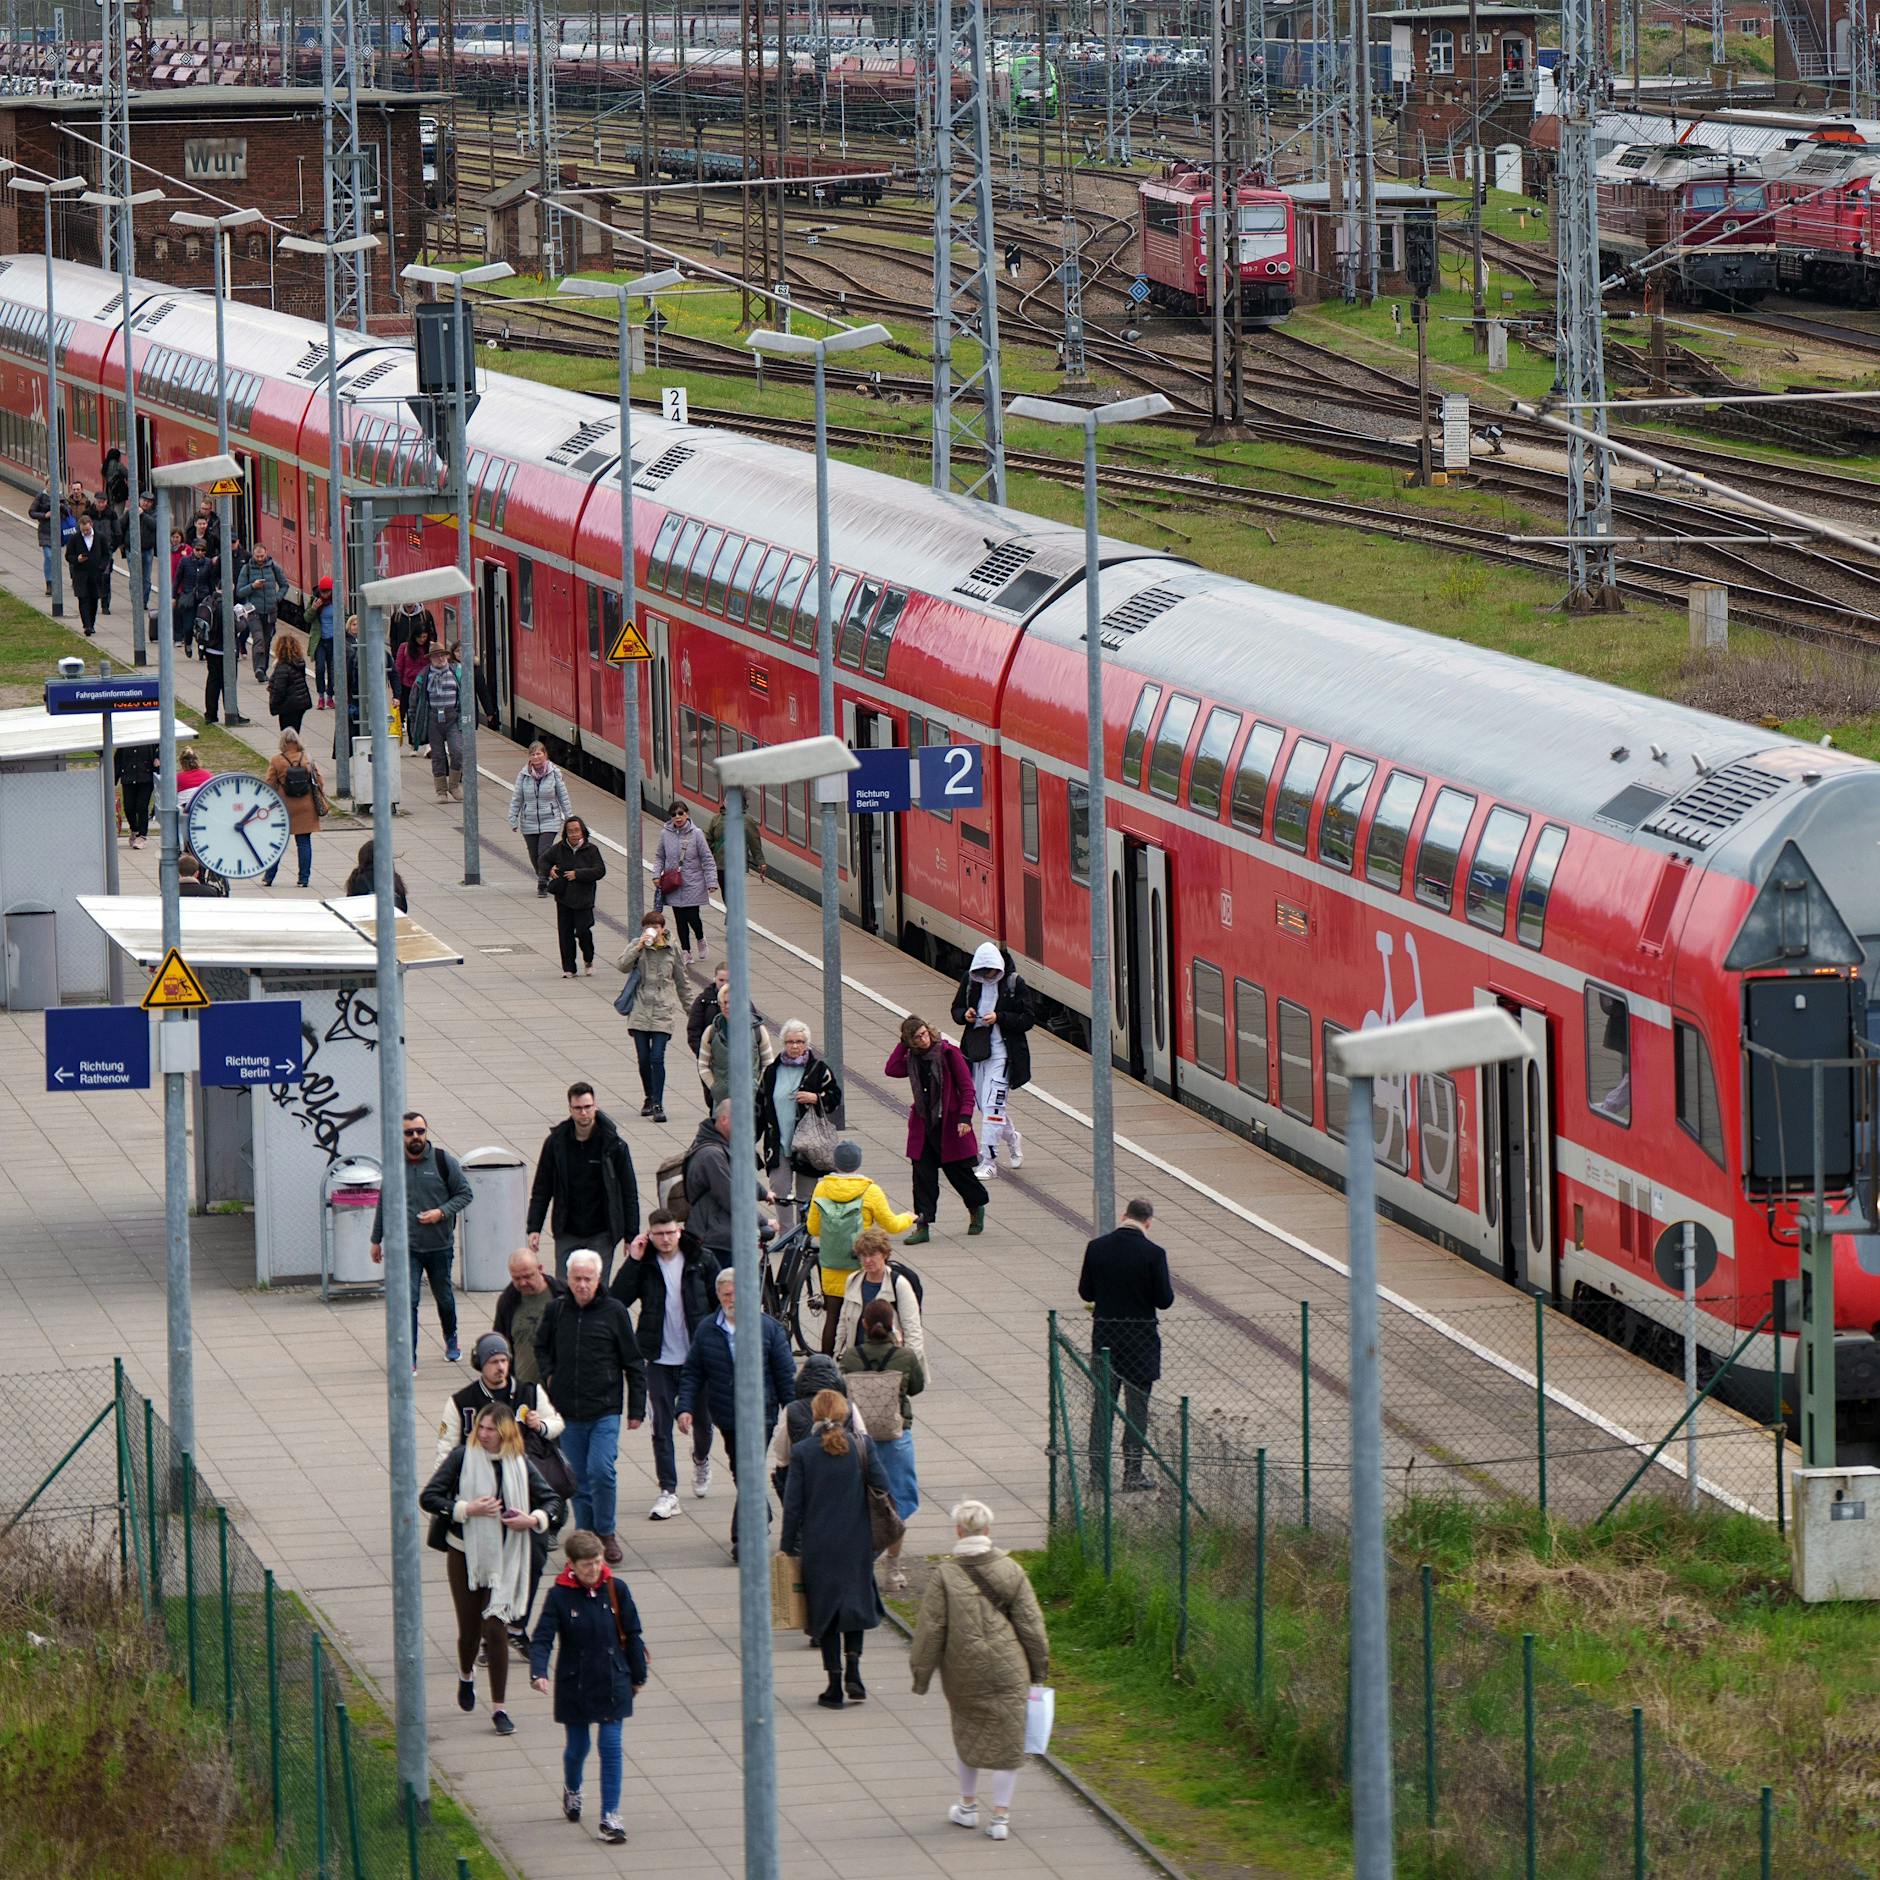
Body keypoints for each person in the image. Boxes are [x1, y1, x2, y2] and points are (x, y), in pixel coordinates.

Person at [909, 1500, 1052, 1843]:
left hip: (963, 1670)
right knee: (1008, 1740)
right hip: (1009, 1667)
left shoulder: (945, 1575)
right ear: (987, 1530)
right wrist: (1039, 1669)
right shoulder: (1012, 1570)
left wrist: (921, 1674)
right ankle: (1001, 1817)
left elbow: (931, 1629)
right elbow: (1031, 1627)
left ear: (959, 1531)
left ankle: (968, 1806)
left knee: (968, 1733)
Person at [419, 1401, 562, 1735]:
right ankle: (466, 1676)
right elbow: (429, 1497)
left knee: (495, 1629)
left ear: (505, 1433)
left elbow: (553, 1503)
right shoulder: (461, 1458)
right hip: (465, 1555)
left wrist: (533, 1519)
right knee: (469, 1631)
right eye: (480, 1428)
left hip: (506, 1558)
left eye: (490, 1429)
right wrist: (466, 1508)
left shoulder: (519, 1463)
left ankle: (499, 1707)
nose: (483, 1435)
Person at [435, 1331, 570, 1648]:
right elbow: (445, 1451)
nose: (500, 1367)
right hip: (482, 1501)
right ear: (480, 1364)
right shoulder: (461, 1402)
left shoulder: (529, 1391)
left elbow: (557, 1423)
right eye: (493, 1361)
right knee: (487, 1566)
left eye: (504, 1360)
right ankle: (490, 1631)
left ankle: (515, 1624)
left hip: (524, 1494)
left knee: (532, 1560)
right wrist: (457, 1496)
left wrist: (540, 1425)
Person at [528, 1528, 647, 1846]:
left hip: (613, 1680)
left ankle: (610, 1816)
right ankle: (573, 1789)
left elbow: (633, 1633)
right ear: (571, 1565)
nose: (593, 1570)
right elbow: (542, 1637)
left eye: (597, 1562)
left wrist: (638, 1675)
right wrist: (538, 1671)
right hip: (575, 1683)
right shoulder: (559, 1596)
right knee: (578, 1749)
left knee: (610, 1747)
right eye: (586, 1565)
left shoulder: (616, 1589)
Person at [780, 1386, 890, 1708]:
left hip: (819, 1545)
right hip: (857, 1543)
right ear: (844, 1414)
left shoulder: (803, 1452)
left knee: (825, 1612)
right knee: (854, 1607)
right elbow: (882, 1487)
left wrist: (788, 1547)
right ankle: (854, 1670)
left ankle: (833, 1685)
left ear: (814, 1414)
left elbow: (793, 1505)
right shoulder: (861, 1446)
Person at [534, 1250, 646, 1565]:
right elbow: (541, 1347)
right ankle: (586, 1536)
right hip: (567, 1411)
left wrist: (637, 1408)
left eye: (588, 1279)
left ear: (599, 1280)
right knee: (578, 1478)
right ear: (567, 1279)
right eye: (577, 1279)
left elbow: (633, 1362)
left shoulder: (614, 1312)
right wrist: (550, 1374)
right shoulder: (556, 1310)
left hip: (605, 1409)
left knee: (602, 1470)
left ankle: (606, 1531)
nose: (582, 1285)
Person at [676, 1268, 797, 1559]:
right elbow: (693, 1371)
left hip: (761, 1413)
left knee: (748, 1469)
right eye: (726, 1294)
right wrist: (685, 1407)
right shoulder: (708, 1329)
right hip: (727, 1415)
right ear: (718, 1295)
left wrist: (793, 1412)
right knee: (741, 1470)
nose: (732, 1299)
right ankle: (760, 1514)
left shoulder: (768, 1328)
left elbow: (785, 1374)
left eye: (736, 1293)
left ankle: (743, 1536)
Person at [610, 1210, 721, 1519]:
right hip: (658, 1357)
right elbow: (617, 1301)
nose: (666, 1239)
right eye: (659, 1234)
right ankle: (668, 1490)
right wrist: (632, 1260)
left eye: (670, 1233)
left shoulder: (701, 1259)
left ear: (679, 1231)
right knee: (661, 1425)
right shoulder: (645, 1264)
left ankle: (701, 1459)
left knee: (702, 1421)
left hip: (696, 1358)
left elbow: (720, 1301)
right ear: (650, 1235)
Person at [1077, 1197, 1173, 1492]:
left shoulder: (1097, 1248)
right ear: (1148, 1222)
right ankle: (1132, 1473)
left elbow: (1085, 1291)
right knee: (1137, 1411)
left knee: (1102, 1409)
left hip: (1105, 1340)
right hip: (1141, 1344)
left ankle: (1097, 1475)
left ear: (1123, 1215)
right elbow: (1164, 1300)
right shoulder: (1153, 1254)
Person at [369, 1111, 474, 1368]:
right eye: (409, 1132)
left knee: (444, 1298)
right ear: (401, 1136)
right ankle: (409, 1358)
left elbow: (465, 1194)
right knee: (409, 1301)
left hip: (439, 1245)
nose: (416, 1137)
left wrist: (441, 1212)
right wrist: (376, 1239)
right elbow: (384, 1203)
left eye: (420, 1131)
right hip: (407, 1248)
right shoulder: (394, 1166)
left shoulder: (442, 1161)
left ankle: (451, 1340)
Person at [839, 1297, 925, 1592]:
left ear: (863, 1324)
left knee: (859, 1501)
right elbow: (917, 1387)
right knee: (899, 1501)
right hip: (896, 1436)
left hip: (860, 1440)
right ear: (893, 1325)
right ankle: (893, 1569)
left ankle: (860, 1561)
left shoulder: (851, 1358)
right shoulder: (905, 1357)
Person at [885, 1015, 987, 1243]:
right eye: (917, 1037)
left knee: (960, 1175)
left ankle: (976, 1205)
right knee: (922, 1177)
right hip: (924, 1126)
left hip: (950, 1126)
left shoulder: (948, 1053)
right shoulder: (911, 1058)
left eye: (924, 1033)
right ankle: (923, 1225)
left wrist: (965, 1118)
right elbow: (891, 1069)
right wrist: (903, 1043)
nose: (924, 1039)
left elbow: (967, 1088)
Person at [526, 1081, 640, 1284]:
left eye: (588, 1107)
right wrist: (534, 1227)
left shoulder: (614, 1145)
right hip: (567, 1229)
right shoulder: (556, 1143)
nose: (584, 1113)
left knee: (596, 1287)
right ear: (570, 1109)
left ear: (595, 1105)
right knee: (565, 1288)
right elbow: (542, 1188)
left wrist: (631, 1235)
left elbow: (629, 1192)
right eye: (578, 1108)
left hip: (602, 1231)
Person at [808, 1144, 914, 1354]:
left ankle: (826, 1363)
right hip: (862, 1265)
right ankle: (865, 1359)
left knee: (832, 1317)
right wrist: (909, 1218)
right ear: (858, 1163)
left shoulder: (822, 1188)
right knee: (865, 1316)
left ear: (835, 1162)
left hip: (831, 1263)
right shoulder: (870, 1191)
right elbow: (891, 1225)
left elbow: (813, 1227)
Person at [951, 941, 1035, 1180]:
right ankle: (1012, 1136)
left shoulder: (1014, 984)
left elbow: (1028, 1018)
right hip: (977, 1053)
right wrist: (965, 1015)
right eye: (982, 971)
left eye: (990, 971)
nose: (986, 976)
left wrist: (1000, 1017)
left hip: (1004, 1055)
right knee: (983, 1105)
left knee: (993, 1106)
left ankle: (988, 1160)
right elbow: (956, 1009)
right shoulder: (970, 981)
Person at [758, 1019, 841, 1227]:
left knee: (805, 1195)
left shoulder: (818, 1070)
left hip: (807, 1144)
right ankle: (785, 1236)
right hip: (778, 1143)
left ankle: (802, 1237)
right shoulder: (772, 1072)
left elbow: (835, 1098)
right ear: (783, 1043)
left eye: (800, 1041)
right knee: (779, 1190)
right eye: (790, 1041)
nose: (795, 1046)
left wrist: (816, 1098)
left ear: (807, 1044)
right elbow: (759, 1107)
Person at [614, 911, 691, 1123]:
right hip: (640, 1008)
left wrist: (691, 1011)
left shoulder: (672, 949)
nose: (652, 930)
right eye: (649, 926)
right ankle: (648, 1096)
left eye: (656, 927)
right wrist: (638, 948)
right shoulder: (637, 946)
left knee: (657, 1057)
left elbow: (682, 982)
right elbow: (622, 966)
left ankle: (658, 1102)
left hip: (663, 1010)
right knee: (644, 1059)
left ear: (663, 929)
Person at [683, 1099, 777, 1263]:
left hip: (720, 1231)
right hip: (714, 1238)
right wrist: (763, 1220)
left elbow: (738, 1175)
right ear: (724, 1119)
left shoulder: (721, 1145)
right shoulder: (711, 1154)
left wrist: (763, 1193)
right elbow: (730, 1196)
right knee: (730, 1286)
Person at [832, 1226, 927, 1368]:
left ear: (884, 1254)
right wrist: (837, 1355)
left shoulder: (899, 1284)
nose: (867, 1260)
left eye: (872, 1254)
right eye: (863, 1255)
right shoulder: (853, 1280)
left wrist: (905, 1366)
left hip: (890, 1365)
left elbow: (913, 1330)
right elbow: (843, 1324)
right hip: (859, 1362)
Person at [652, 800, 717, 964]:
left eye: (681, 813)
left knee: (693, 917)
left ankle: (700, 939)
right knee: (680, 919)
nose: (677, 817)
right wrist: (656, 875)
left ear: (687, 814)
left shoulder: (697, 834)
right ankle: (686, 951)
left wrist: (711, 882)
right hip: (673, 884)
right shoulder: (665, 834)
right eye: (674, 814)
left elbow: (707, 859)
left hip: (693, 883)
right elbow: (660, 856)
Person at [493, 1248, 567, 1387]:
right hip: (524, 1390)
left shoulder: (562, 1295)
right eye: (516, 1278)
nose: (522, 1283)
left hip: (559, 1388)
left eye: (527, 1276)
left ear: (540, 1269)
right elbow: (500, 1343)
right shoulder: (508, 1302)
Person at [543, 815, 606, 978]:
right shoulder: (559, 848)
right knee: (565, 934)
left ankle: (588, 959)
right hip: (564, 897)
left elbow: (600, 871)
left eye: (577, 830)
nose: (574, 834)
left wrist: (578, 874)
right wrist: (549, 870)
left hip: (584, 899)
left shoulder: (591, 850)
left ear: (583, 831)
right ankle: (569, 967)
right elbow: (543, 860)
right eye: (570, 831)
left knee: (583, 931)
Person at [508, 741, 574, 895]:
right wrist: (513, 818)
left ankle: (542, 883)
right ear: (529, 757)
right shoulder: (524, 775)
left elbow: (563, 796)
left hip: (550, 819)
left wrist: (569, 817)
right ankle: (544, 875)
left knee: (543, 852)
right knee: (533, 854)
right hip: (528, 821)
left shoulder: (554, 773)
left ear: (545, 755)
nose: (536, 757)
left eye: (539, 753)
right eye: (533, 754)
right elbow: (517, 797)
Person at [699, 979, 776, 1109]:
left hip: (751, 1101)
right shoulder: (711, 1032)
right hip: (722, 1102)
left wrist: (757, 1088)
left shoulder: (758, 1031)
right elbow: (703, 1065)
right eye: (724, 1002)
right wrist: (715, 1088)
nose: (728, 1006)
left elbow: (768, 1063)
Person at [261, 730, 323, 889]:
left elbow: (269, 784)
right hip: (306, 805)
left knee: (278, 844)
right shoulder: (307, 759)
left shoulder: (277, 760)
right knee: (304, 843)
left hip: (284, 807)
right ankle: (304, 879)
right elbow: (319, 781)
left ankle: (269, 877)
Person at [421, 639, 465, 800]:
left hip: (452, 718)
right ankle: (441, 791)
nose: (440, 659)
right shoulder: (425, 675)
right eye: (436, 656)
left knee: (458, 751)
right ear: (431, 659)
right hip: (433, 719)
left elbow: (465, 695)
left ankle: (454, 786)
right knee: (438, 756)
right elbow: (415, 699)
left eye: (442, 655)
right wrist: (414, 718)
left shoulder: (456, 672)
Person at [686, 961, 730, 1109]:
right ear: (714, 979)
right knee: (713, 1102)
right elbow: (693, 1031)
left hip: (735, 1065)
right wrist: (703, 1054)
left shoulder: (743, 1003)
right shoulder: (703, 1001)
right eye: (721, 980)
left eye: (728, 981)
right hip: (711, 1063)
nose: (724, 984)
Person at [239, 543, 284, 680]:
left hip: (270, 612)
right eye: (257, 556)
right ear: (253, 555)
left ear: (266, 554)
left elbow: (284, 585)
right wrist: (253, 586)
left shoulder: (273, 567)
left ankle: (263, 669)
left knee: (267, 640)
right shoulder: (246, 569)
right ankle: (258, 669)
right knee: (258, 639)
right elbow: (240, 592)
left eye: (262, 556)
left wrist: (277, 598)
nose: (259, 558)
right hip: (254, 612)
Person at [64, 506, 108, 637]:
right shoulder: (75, 538)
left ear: (91, 525)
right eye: (83, 530)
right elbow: (68, 555)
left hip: (95, 575)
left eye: (87, 530)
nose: (86, 532)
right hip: (80, 574)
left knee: (94, 599)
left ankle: (92, 623)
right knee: (83, 599)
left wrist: (101, 567)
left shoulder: (100, 538)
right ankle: (86, 625)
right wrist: (76, 559)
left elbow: (106, 554)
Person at [342, 838, 408, 911]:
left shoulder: (357, 878)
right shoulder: (394, 878)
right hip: (392, 919)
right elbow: (404, 907)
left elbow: (351, 905)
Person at [706, 802, 765, 882]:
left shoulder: (747, 820)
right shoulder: (716, 819)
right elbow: (708, 840)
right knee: (725, 892)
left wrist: (761, 862)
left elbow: (754, 842)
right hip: (720, 865)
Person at [268, 629, 313, 734]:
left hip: (288, 705)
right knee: (295, 731)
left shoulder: (282, 668)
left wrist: (274, 705)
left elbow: (279, 690)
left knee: (287, 734)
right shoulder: (299, 663)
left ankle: (291, 750)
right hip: (300, 702)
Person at [115, 740, 156, 852]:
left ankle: (142, 835)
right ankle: (135, 829)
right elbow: (117, 759)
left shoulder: (149, 740)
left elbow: (159, 747)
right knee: (128, 807)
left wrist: (157, 758)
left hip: (145, 778)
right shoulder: (124, 742)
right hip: (128, 777)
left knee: (142, 806)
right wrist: (114, 778)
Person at [312, 574, 336, 709]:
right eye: (323, 592)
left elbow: (343, 617)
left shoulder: (336, 601)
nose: (325, 594)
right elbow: (307, 618)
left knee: (333, 670)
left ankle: (330, 696)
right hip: (320, 641)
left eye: (327, 592)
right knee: (320, 668)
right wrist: (314, 608)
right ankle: (321, 697)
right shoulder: (315, 600)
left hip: (333, 640)